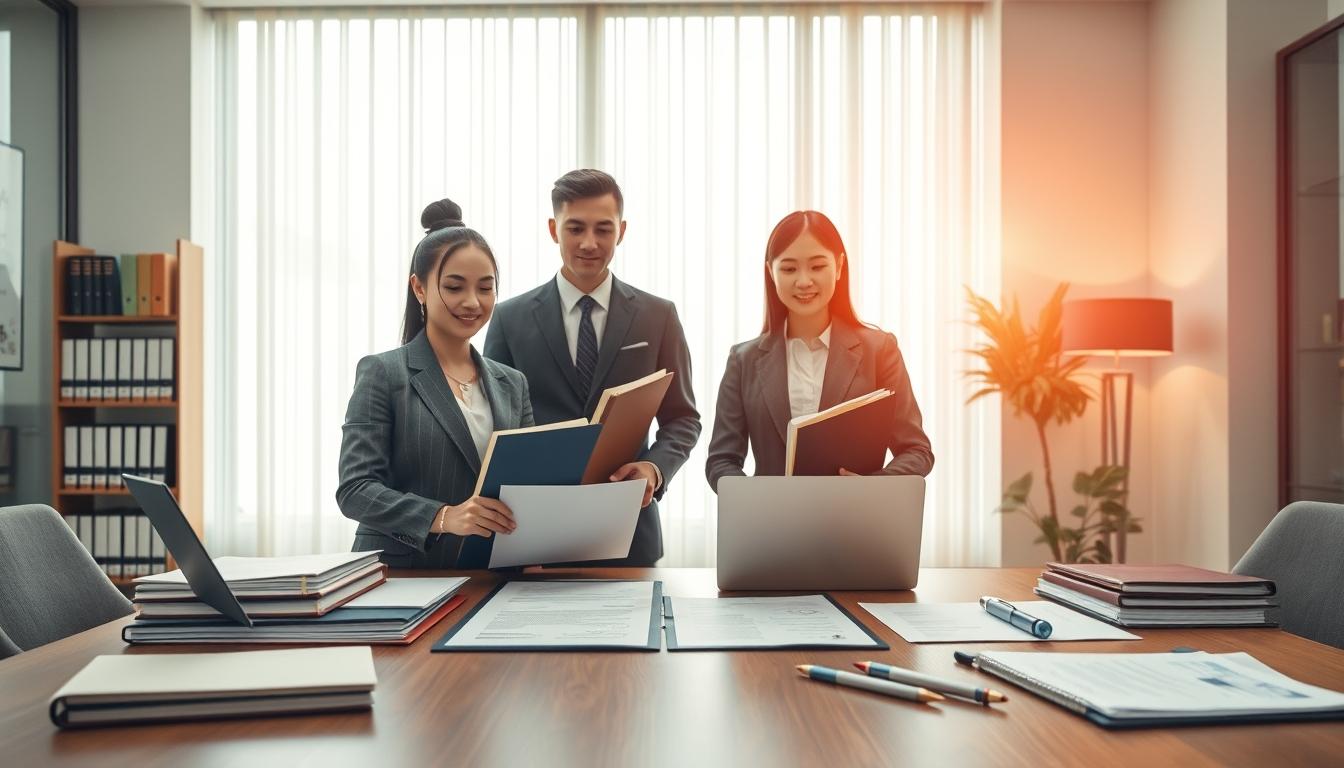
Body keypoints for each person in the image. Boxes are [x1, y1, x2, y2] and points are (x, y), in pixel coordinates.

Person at [484, 169, 700, 566]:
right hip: (533, 532)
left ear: (622, 230)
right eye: (575, 228)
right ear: (553, 229)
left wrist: (654, 469)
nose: (589, 243)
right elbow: (495, 423)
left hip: (631, 530)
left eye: (603, 229)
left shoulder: (658, 316)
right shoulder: (508, 319)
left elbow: (684, 418)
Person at [337, 198, 531, 568]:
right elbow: (355, 490)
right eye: (454, 287)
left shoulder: (512, 384)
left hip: (492, 576)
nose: (472, 302)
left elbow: (527, 485)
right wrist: (443, 517)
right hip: (403, 578)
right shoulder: (383, 373)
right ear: (420, 288)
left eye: (485, 288)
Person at [705, 209, 933, 491]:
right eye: (788, 269)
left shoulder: (880, 350)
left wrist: (871, 488)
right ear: (770, 273)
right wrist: (755, 498)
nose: (803, 281)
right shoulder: (744, 360)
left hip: (855, 524)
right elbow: (721, 461)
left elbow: (917, 451)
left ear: (839, 267)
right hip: (771, 527)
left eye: (817, 266)